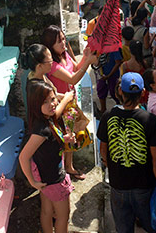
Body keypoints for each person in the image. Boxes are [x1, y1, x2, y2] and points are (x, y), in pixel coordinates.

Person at [97, 73, 156, 233]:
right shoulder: (151, 120)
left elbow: (103, 150)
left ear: (120, 91)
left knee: (123, 228)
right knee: (151, 226)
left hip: (118, 186)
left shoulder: (108, 116)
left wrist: (112, 167)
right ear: (143, 93)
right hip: (144, 186)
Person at [19, 81, 75, 233]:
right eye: (45, 102)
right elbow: (23, 157)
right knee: (63, 216)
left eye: (52, 98)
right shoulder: (42, 130)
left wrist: (65, 139)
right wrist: (32, 182)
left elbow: (49, 143)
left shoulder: (43, 120)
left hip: (45, 177)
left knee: (47, 211)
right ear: (36, 104)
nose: (52, 104)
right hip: (54, 179)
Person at [41, 25, 97, 178]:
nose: (63, 43)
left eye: (64, 39)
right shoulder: (52, 65)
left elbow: (76, 68)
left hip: (71, 100)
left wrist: (85, 57)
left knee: (71, 134)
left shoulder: (64, 54)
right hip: (60, 103)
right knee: (63, 137)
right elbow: (73, 78)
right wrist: (89, 61)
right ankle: (65, 169)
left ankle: (69, 167)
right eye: (59, 41)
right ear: (50, 45)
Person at [21, 44, 75, 116]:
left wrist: (61, 96)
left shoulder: (39, 75)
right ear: (39, 66)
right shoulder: (36, 87)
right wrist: (66, 100)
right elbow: (53, 114)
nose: (52, 63)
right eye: (49, 61)